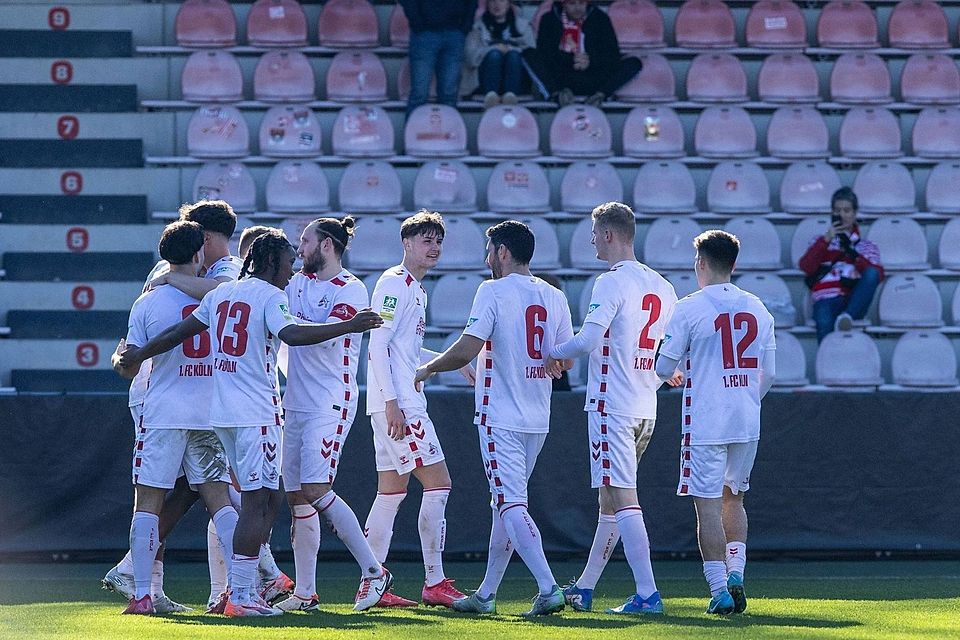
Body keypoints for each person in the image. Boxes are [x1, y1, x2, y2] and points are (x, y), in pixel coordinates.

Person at [117, 230, 388, 616]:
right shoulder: (269, 296)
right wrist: (348, 325)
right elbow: (292, 335)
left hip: (223, 413)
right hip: (256, 412)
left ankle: (235, 591)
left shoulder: (221, 294)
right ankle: (241, 596)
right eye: (288, 263)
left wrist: (139, 353)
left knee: (267, 496)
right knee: (258, 501)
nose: (292, 272)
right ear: (272, 263)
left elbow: (181, 332)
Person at [102, 200, 260, 613]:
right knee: (220, 500)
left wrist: (120, 361)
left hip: (162, 413)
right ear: (198, 253)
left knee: (149, 503)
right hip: (207, 410)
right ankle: (242, 593)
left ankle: (141, 595)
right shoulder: (220, 301)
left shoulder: (148, 301)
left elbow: (128, 368)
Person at [415, 220, 574, 618]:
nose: (487, 258)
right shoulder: (554, 295)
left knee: (509, 503)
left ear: (502, 251)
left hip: (500, 414)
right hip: (538, 416)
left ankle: (548, 587)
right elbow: (566, 357)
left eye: (489, 250)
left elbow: (467, 347)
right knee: (504, 505)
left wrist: (428, 368)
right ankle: (486, 594)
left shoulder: (492, 291)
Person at [545, 202, 679, 615]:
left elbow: (586, 342)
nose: (590, 240)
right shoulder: (663, 286)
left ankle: (647, 593)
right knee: (609, 499)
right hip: (645, 405)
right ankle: (584, 588)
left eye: (593, 232)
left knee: (623, 500)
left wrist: (551, 352)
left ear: (607, 234)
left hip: (612, 405)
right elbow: (668, 354)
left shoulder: (610, 282)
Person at [654, 230, 776, 615]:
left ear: (700, 263)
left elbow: (662, 366)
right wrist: (742, 398)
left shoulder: (689, 307)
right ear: (734, 265)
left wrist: (675, 374)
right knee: (734, 498)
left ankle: (720, 589)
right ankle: (737, 573)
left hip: (706, 419)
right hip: (746, 417)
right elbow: (768, 374)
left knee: (706, 506)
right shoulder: (758, 307)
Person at [273, 217, 387, 612]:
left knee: (316, 488)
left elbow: (328, 335)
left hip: (330, 400)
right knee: (296, 497)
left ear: (326, 246)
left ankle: (375, 571)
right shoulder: (296, 282)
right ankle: (305, 594)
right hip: (297, 399)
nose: (299, 248)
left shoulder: (350, 288)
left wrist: (290, 326)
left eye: (305, 241)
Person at [363, 211, 474, 608]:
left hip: (390, 400)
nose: (434, 248)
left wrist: (453, 360)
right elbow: (377, 344)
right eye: (426, 241)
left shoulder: (415, 289)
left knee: (390, 492)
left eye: (438, 242)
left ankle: (372, 581)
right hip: (400, 404)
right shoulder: (394, 283)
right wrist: (393, 403)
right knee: (439, 483)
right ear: (406, 243)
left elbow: (402, 352)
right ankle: (434, 581)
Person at [798, 187, 884, 342]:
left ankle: (846, 318)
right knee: (824, 319)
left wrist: (852, 253)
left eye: (846, 210)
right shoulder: (820, 242)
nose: (842, 215)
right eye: (837, 210)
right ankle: (826, 362)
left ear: (855, 213)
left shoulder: (867, 246)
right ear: (832, 213)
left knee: (872, 272)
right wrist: (825, 241)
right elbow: (806, 266)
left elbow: (876, 275)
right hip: (826, 297)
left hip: (854, 300)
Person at [522, 0, 642, 107]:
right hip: (562, 78)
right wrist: (571, 60)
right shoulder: (549, 19)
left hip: (594, 77)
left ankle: (601, 95)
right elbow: (545, 54)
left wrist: (590, 61)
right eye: (572, 3)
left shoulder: (601, 18)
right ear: (563, 4)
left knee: (634, 63)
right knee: (529, 54)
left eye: (581, 3)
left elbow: (612, 55)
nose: (577, 8)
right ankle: (556, 95)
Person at [400, 0, 477, 114]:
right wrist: (418, 24)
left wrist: (465, 27)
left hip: (454, 35)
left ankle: (449, 131)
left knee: (449, 95)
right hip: (425, 35)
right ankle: (412, 131)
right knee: (420, 94)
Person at [463, 0, 535, 108]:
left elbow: (533, 55)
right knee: (494, 55)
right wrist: (491, 49)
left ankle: (510, 96)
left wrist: (512, 49)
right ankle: (491, 96)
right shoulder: (477, 28)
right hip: (484, 79)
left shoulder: (523, 26)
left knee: (513, 55)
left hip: (517, 78)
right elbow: (470, 58)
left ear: (509, 3)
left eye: (501, 0)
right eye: (492, 1)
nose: (496, 4)